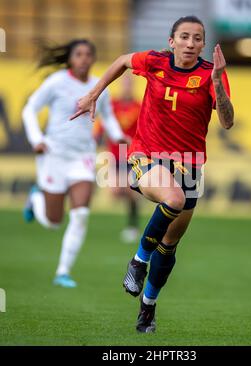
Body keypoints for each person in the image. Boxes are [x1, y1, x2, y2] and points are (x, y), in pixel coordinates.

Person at [70, 16, 234, 332]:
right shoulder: (155, 62)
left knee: (170, 245)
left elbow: (226, 121)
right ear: (171, 41)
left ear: (202, 44)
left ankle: (148, 307)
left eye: (196, 38)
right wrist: (94, 93)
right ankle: (137, 261)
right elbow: (121, 61)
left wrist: (217, 82)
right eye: (184, 36)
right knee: (172, 198)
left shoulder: (210, 75)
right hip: (147, 155)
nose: (190, 43)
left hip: (190, 165)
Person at [22, 39, 126, 288]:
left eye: (88, 54)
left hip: (83, 157)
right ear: (70, 59)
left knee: (80, 215)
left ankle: (63, 272)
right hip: (55, 155)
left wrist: (119, 135)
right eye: (78, 54)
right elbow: (29, 110)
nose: (84, 59)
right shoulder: (57, 82)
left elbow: (108, 117)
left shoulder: (99, 86)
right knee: (53, 222)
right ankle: (36, 198)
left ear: (93, 58)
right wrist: (37, 139)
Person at [108, 73, 141, 243]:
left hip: (131, 156)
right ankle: (137, 197)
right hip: (115, 155)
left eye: (130, 83)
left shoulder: (139, 106)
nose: (127, 86)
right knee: (115, 192)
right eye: (125, 83)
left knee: (129, 191)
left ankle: (132, 226)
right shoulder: (112, 104)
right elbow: (104, 126)